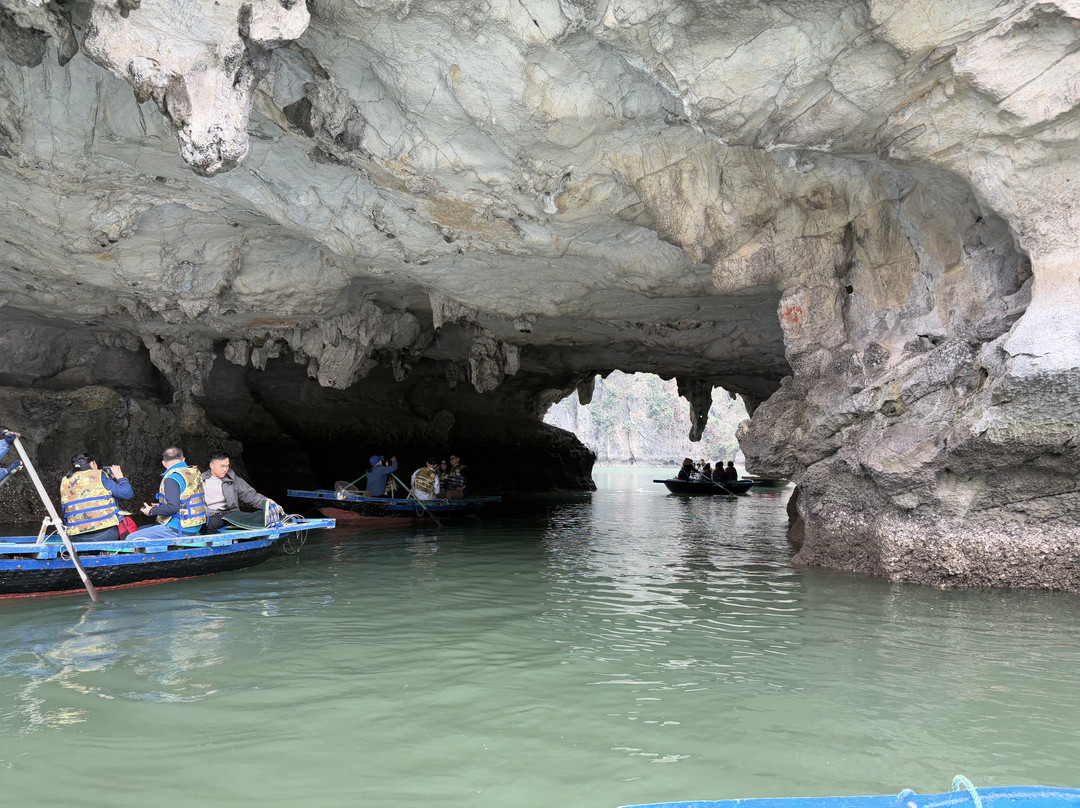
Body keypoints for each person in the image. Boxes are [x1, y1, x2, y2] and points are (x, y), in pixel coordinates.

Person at [127, 446, 207, 541]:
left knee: (131, 538)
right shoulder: (193, 473)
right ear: (183, 459)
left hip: (180, 529)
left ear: (164, 463)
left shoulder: (172, 478)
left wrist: (151, 511)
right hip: (195, 525)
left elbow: (173, 508)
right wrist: (159, 506)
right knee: (141, 529)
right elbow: (186, 500)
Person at [58, 453, 134, 542]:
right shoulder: (99, 475)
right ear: (92, 464)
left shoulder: (65, 480)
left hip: (76, 537)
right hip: (104, 535)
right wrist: (120, 477)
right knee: (125, 523)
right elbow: (127, 493)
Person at [201, 450, 283, 532]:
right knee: (206, 523)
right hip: (207, 514)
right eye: (222, 466)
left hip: (229, 514)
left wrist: (269, 504)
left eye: (227, 466)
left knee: (212, 523)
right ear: (212, 466)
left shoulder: (232, 480)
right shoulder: (200, 481)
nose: (225, 469)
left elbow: (251, 495)